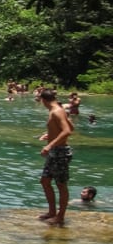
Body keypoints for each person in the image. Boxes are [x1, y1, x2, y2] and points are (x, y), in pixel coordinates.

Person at [38, 87, 74, 225]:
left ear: (43, 100)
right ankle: (52, 212)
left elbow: (67, 132)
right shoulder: (57, 110)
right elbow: (70, 128)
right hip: (55, 151)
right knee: (45, 181)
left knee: (60, 184)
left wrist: (49, 145)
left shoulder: (57, 112)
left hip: (60, 152)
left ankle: (60, 216)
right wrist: (50, 135)